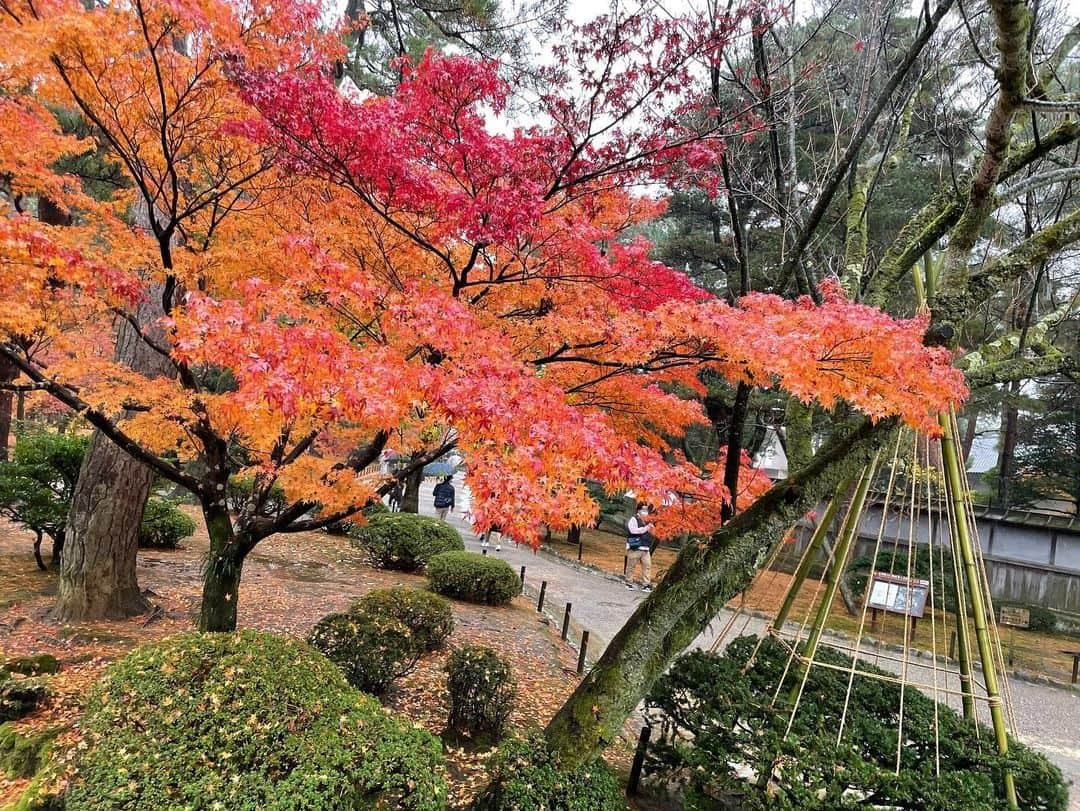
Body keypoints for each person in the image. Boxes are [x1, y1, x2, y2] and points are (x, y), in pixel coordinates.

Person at [625, 502, 654, 591]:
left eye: (646, 510)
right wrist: (646, 528)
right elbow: (633, 531)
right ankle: (628, 582)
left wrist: (652, 529)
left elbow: (651, 532)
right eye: (643, 509)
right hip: (636, 546)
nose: (645, 511)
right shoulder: (634, 519)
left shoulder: (648, 520)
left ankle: (646, 584)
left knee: (647, 565)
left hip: (645, 547)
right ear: (639, 510)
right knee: (631, 565)